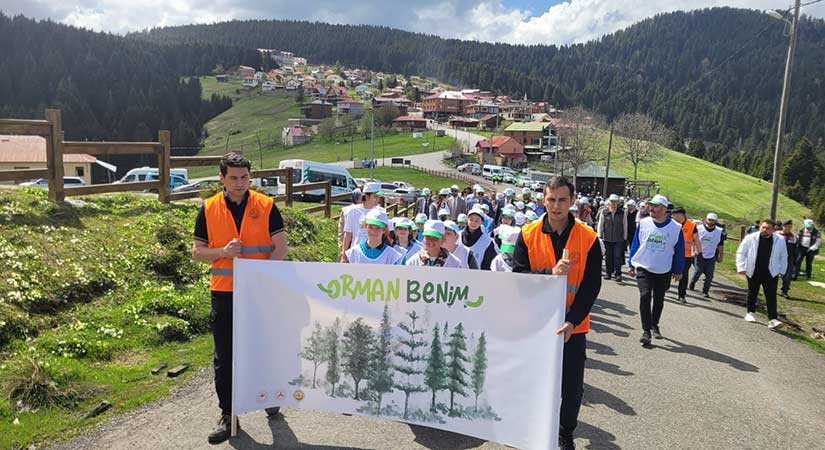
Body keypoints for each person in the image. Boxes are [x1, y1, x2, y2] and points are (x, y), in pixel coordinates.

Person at [192, 152, 289, 444]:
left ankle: (268, 395)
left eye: (244, 177)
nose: (240, 183)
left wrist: (262, 277)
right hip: (223, 294)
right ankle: (228, 414)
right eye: (233, 178)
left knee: (262, 348)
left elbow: (280, 248)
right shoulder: (207, 209)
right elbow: (197, 252)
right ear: (222, 178)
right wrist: (222, 252)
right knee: (225, 357)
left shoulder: (266, 205)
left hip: (259, 292)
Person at [512, 176, 602, 450]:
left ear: (572, 201)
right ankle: (531, 426)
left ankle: (565, 432)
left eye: (563, 199)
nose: (556, 206)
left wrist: (572, 321)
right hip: (537, 324)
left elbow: (591, 286)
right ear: (544, 200)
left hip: (573, 326)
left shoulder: (588, 238)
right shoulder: (528, 234)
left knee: (572, 387)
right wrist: (548, 274)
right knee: (532, 379)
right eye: (551, 199)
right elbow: (519, 277)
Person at [627, 194, 685, 345]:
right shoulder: (644, 223)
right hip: (644, 266)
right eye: (650, 205)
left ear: (665, 209)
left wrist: (678, 270)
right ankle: (646, 330)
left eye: (655, 206)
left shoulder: (675, 228)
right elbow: (636, 243)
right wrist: (631, 264)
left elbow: (679, 251)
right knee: (645, 295)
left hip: (663, 269)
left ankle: (655, 324)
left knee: (659, 299)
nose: (651, 208)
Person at [736, 219, 788, 329]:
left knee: (771, 295)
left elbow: (784, 256)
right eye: (763, 227)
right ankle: (750, 313)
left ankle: (773, 319)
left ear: (773, 230)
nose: (765, 230)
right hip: (754, 270)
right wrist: (741, 267)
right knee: (752, 292)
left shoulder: (780, 240)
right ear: (760, 227)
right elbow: (741, 252)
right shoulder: (751, 238)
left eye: (768, 228)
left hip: (771, 271)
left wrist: (782, 270)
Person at [339, 182, 382, 261]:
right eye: (375, 196)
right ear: (366, 196)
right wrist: (344, 256)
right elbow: (348, 235)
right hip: (356, 253)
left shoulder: (381, 212)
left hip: (375, 254)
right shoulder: (353, 211)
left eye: (379, 196)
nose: (378, 199)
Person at [688, 212, 724, 298]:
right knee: (698, 271)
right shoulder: (699, 228)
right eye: (709, 220)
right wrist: (693, 251)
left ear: (716, 221)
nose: (711, 222)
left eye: (713, 220)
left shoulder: (719, 231)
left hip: (711, 256)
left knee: (709, 276)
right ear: (706, 220)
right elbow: (693, 240)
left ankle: (705, 291)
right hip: (699, 253)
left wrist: (720, 256)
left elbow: (720, 245)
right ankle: (692, 282)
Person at [671, 207, 701, 303]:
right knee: (667, 272)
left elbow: (696, 239)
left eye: (674, 215)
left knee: (684, 275)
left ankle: (681, 295)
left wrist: (699, 252)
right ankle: (663, 288)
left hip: (686, 255)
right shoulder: (671, 223)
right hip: (671, 253)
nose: (672, 217)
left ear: (681, 215)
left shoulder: (692, 225)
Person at [597, 194, 627, 282]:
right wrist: (599, 235)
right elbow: (601, 224)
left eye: (615, 202)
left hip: (619, 238)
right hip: (607, 238)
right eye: (611, 202)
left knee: (617, 256)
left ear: (617, 203)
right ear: (609, 202)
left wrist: (625, 237)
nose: (613, 204)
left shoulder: (622, 212)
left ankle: (618, 273)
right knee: (608, 256)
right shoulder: (604, 212)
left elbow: (625, 224)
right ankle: (608, 273)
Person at [779, 220, 798, 298]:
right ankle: (771, 290)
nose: (787, 228)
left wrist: (795, 260)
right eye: (786, 226)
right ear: (782, 227)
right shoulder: (777, 234)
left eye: (789, 227)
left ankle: (785, 291)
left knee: (788, 276)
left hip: (789, 259)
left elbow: (795, 249)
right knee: (773, 275)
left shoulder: (793, 237)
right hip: (777, 258)